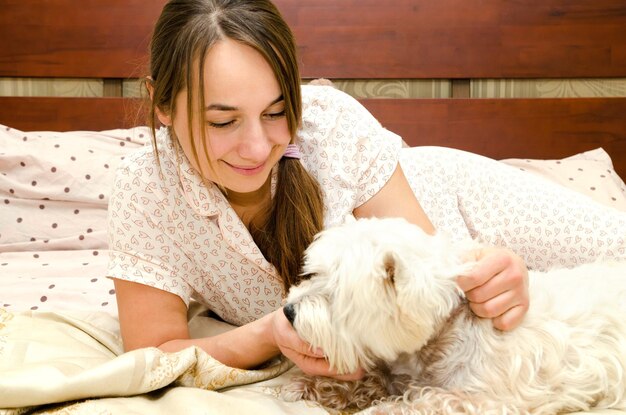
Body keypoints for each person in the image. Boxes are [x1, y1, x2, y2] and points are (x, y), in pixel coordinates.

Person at [107, 0, 626, 381]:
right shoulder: (145, 193)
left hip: (456, 197)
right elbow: (154, 354)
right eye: (223, 121)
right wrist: (269, 334)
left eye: (276, 112)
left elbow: (426, 276)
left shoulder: (331, 126)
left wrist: (502, 270)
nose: (257, 146)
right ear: (162, 105)